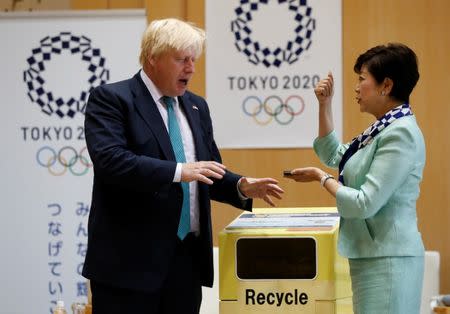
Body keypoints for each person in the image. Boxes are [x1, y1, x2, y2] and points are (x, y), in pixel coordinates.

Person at [82, 18, 284, 314]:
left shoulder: (196, 106)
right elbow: (111, 161)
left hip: (185, 263)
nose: (190, 68)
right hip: (129, 266)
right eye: (181, 60)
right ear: (153, 57)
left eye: (193, 60)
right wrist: (179, 171)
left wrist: (240, 185)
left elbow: (206, 169)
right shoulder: (113, 99)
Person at [285, 43, 425, 313]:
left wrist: (321, 178)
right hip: (373, 255)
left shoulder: (400, 133)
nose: (356, 88)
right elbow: (336, 154)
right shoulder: (383, 128)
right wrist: (324, 105)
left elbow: (364, 203)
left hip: (389, 258)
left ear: (386, 85)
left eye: (362, 79)